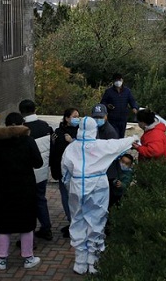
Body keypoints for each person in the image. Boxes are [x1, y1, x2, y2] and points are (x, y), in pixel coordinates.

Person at [62, 117, 136, 275]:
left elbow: (65, 169)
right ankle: (93, 261)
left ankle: (80, 262)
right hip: (97, 186)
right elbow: (117, 144)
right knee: (96, 220)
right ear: (94, 130)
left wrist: (69, 185)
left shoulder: (71, 148)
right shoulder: (100, 145)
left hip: (77, 186)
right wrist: (133, 138)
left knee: (78, 220)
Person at [0, 113, 43, 271]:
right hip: (24, 187)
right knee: (26, 223)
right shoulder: (28, 141)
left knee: (3, 223)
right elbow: (38, 162)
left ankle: (1, 259)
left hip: (2, 187)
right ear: (22, 124)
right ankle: (28, 257)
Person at [19, 99, 54, 241]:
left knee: (27, 203)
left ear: (21, 112)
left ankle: (28, 233)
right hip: (43, 169)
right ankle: (46, 228)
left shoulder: (22, 129)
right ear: (35, 110)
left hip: (27, 173)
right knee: (40, 199)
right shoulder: (45, 126)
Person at [49, 108, 79, 238]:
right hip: (63, 172)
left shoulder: (80, 132)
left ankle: (77, 223)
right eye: (74, 116)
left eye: (78, 116)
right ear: (67, 118)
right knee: (66, 197)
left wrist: (72, 142)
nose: (77, 118)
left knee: (76, 198)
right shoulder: (58, 133)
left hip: (76, 172)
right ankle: (71, 222)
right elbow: (55, 154)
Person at [100, 73, 139, 138]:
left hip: (123, 119)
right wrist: (107, 106)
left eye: (119, 80)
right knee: (115, 136)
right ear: (113, 81)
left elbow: (132, 100)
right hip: (112, 119)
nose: (118, 82)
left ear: (122, 80)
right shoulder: (108, 92)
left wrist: (134, 107)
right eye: (116, 80)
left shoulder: (127, 91)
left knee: (121, 136)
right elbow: (102, 103)